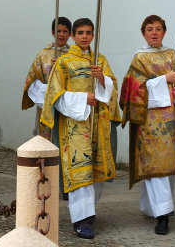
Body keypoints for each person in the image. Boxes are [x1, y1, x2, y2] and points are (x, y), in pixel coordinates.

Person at [119, 15, 175, 235]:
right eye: (150, 29)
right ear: (143, 33)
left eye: (158, 29)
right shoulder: (139, 59)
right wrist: (163, 80)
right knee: (155, 167)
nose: (154, 33)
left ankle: (153, 207)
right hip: (148, 122)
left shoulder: (174, 56)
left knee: (167, 168)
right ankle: (163, 215)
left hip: (172, 121)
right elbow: (131, 90)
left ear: (165, 32)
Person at [41, 18, 121, 239]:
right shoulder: (64, 62)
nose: (85, 36)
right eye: (80, 33)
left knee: (96, 171)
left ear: (93, 35)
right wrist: (82, 97)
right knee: (80, 170)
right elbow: (54, 96)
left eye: (89, 32)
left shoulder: (100, 60)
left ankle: (89, 211)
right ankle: (80, 219)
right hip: (75, 125)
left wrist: (102, 79)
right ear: (74, 36)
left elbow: (113, 89)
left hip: (98, 124)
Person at [22, 17, 72, 140]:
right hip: (46, 101)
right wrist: (46, 91)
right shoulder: (43, 55)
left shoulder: (73, 56)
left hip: (66, 101)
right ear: (52, 32)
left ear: (70, 34)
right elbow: (32, 79)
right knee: (45, 137)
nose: (61, 34)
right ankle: (44, 158)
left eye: (65, 31)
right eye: (58, 31)